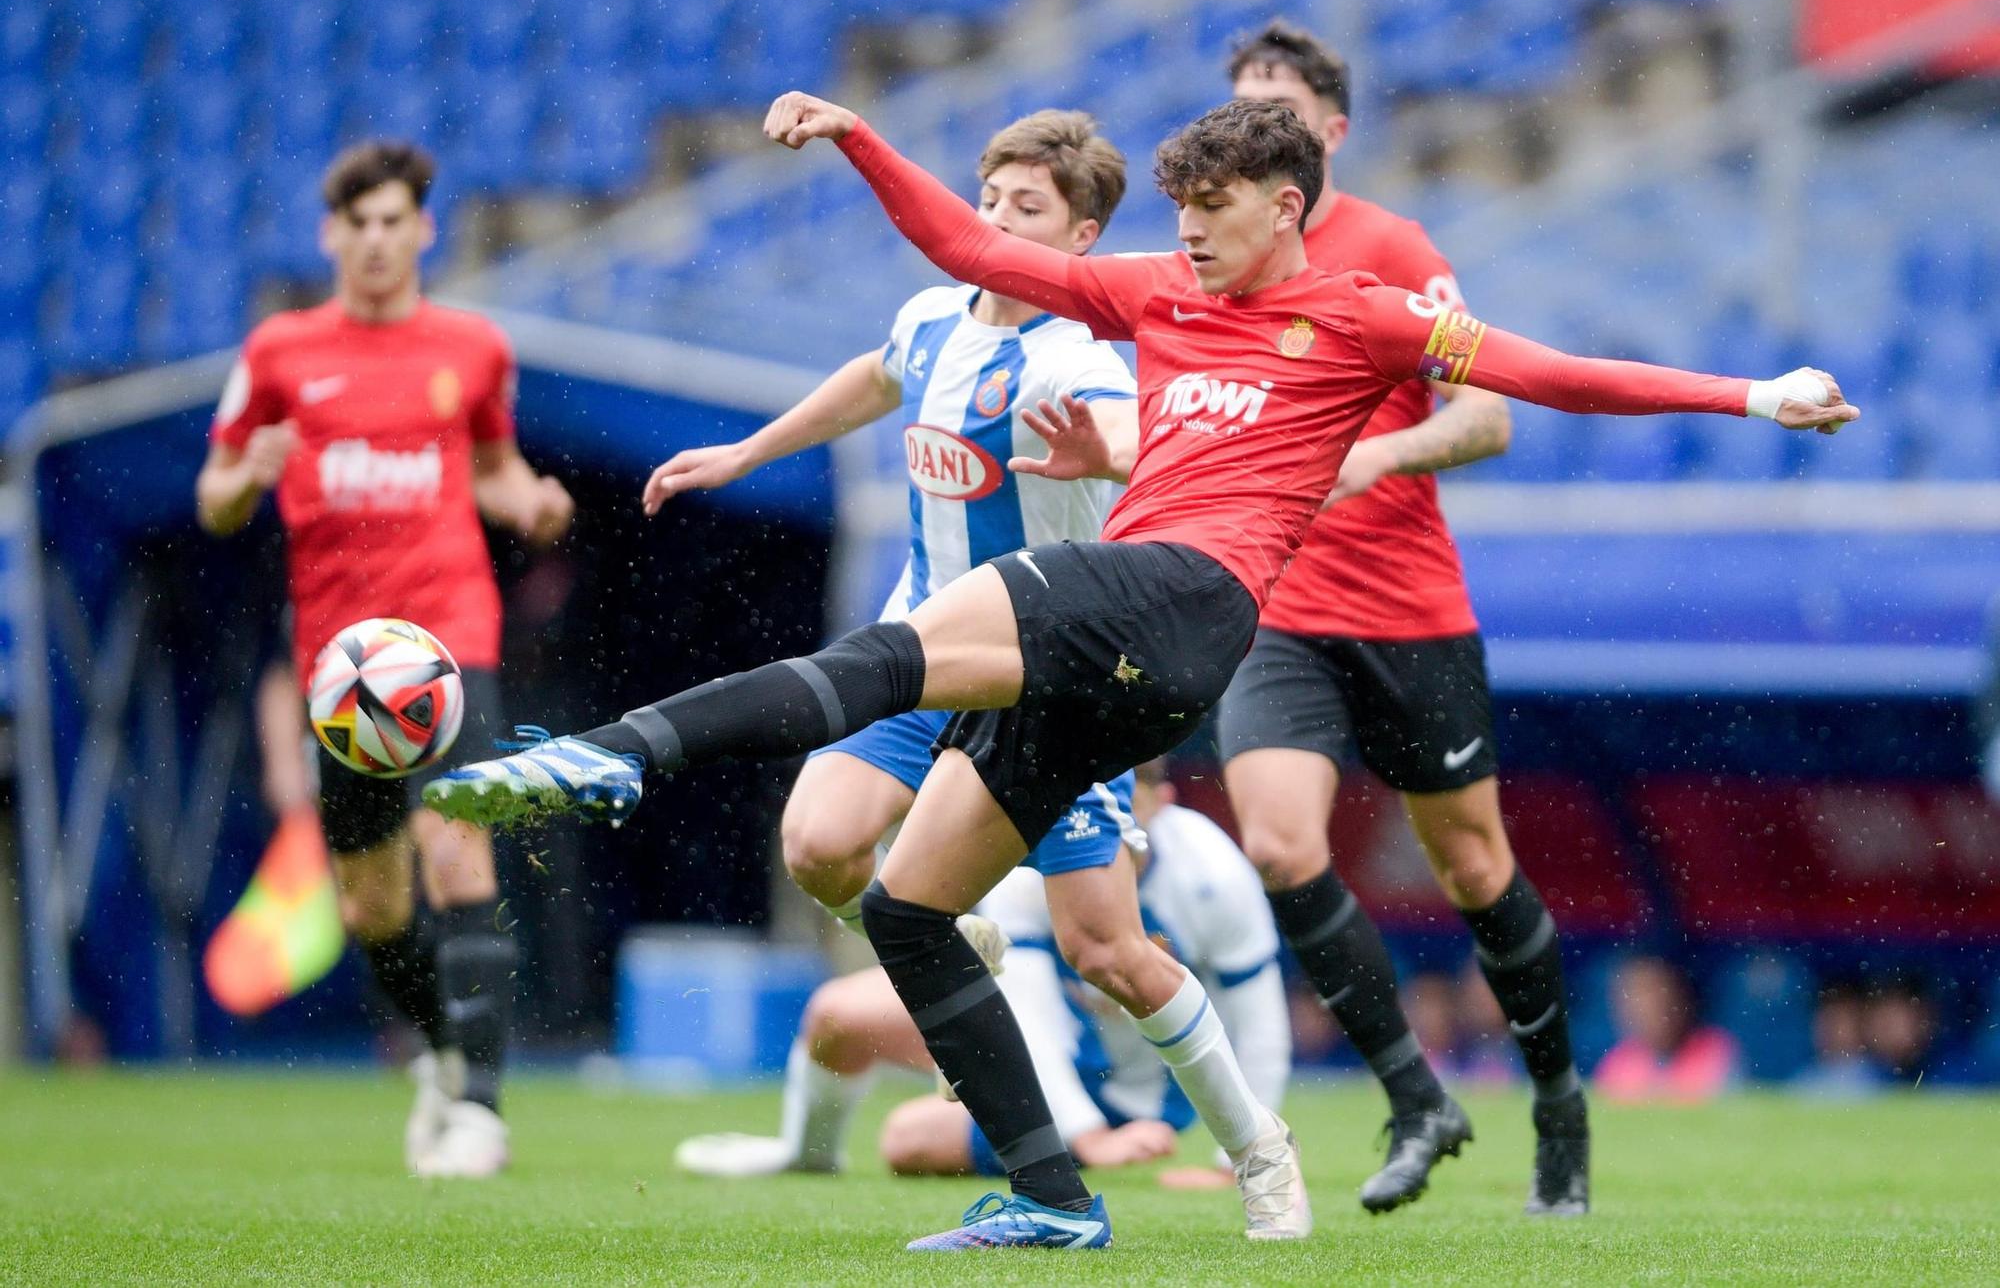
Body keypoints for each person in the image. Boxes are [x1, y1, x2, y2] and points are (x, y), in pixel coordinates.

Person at [424, 94, 1854, 1249]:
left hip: (1187, 598)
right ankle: (1053, 1195)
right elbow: (982, 260)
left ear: (1285, 206)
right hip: (1129, 645)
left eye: (1215, 213)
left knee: (887, 656)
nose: (1193, 238)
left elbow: (1552, 374)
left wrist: (1753, 395)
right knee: (918, 908)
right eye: (1178, 216)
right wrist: (865, 141)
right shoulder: (1156, 294)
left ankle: (605, 754)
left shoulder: (1361, 312)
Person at [1214, 20, 1586, 1216]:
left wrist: (1376, 460)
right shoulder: (1209, 260)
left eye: (1273, 113)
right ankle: (1413, 1093)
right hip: (1274, 611)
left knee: (1473, 866)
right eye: (1236, 114)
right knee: (1276, 843)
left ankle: (1557, 1104)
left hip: (1407, 610)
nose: (1251, 135)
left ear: (1328, 131)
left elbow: (1488, 417)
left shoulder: (1390, 247)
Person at [639, 109, 1144, 945]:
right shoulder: (932, 320)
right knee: (816, 845)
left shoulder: (1077, 354)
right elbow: (875, 378)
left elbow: (1132, 440)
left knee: (1108, 956)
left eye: (1027, 208)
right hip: (922, 646)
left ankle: (1259, 1082)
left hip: (1045, 677)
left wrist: (1107, 453)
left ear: (1082, 235)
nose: (996, 223)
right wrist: (746, 453)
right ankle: (939, 945)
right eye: (989, 200)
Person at [195, 140, 575, 1178]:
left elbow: (493, 467)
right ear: (330, 236)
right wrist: (248, 474)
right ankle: (443, 1059)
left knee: (460, 849)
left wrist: (530, 499)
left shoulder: (472, 346)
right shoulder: (278, 352)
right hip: (341, 667)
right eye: (354, 224)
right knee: (371, 902)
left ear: (422, 230)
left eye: (391, 221)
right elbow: (214, 497)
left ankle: (484, 1113)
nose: (373, 240)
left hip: (447, 644)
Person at [674, 761, 1290, 1182]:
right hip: (1038, 1044)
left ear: (1162, 799)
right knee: (837, 1015)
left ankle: (1062, 1148)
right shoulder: (1042, 856)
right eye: (1094, 799)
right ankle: (806, 1157)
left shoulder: (1213, 872)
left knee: (907, 1141)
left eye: (1128, 799)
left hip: (1130, 1095)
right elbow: (1026, 1009)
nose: (1107, 819)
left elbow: (1259, 1020)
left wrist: (1229, 1161)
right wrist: (1081, 1138)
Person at [1593, 955, 1740, 1102]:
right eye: (1633, 996)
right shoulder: (1619, 1062)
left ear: (1680, 996)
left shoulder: (1715, 1050)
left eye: (1653, 993)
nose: (1644, 1007)